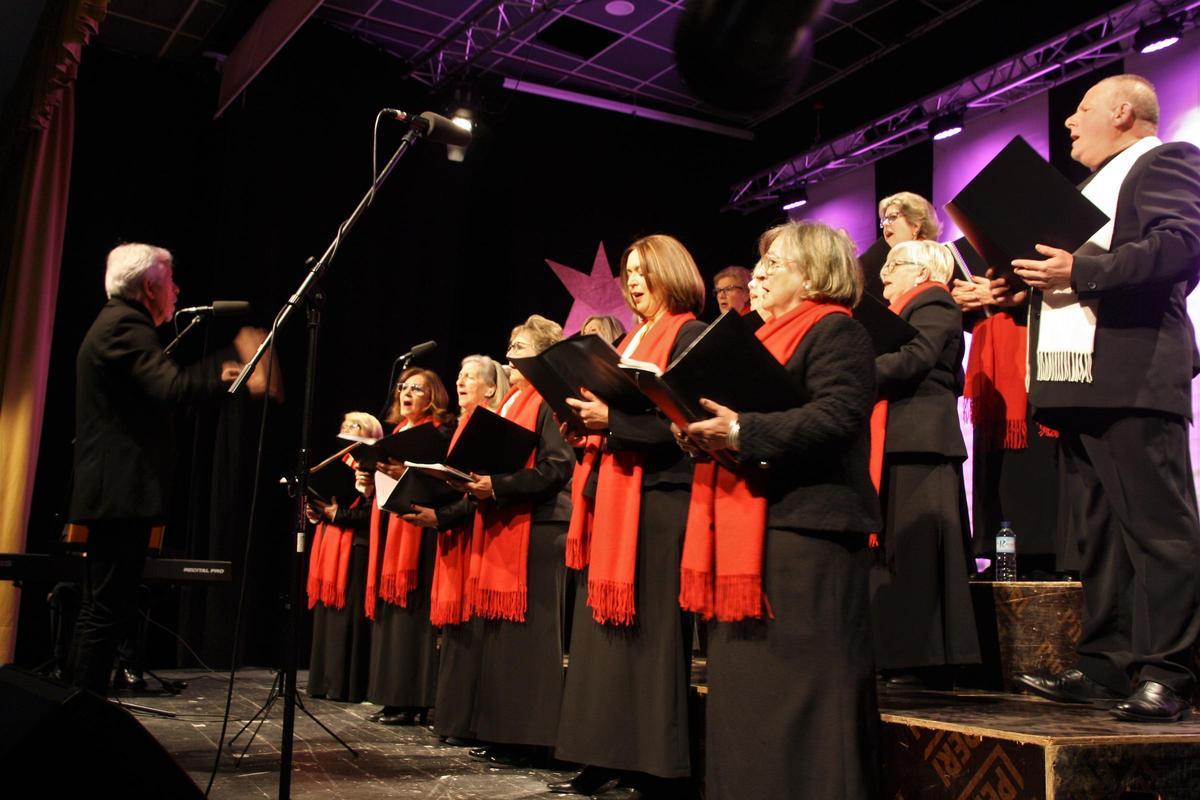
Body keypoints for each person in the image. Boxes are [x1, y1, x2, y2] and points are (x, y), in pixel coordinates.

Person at [1011, 74, 1200, 723]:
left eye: (1081, 110)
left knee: (1159, 533)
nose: (1068, 123)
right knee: (1100, 539)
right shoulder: (1090, 190)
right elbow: (1068, 277)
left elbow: (1180, 247)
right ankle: (1104, 666)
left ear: (1123, 111)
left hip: (1134, 374)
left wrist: (1079, 271)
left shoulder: (1166, 159)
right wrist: (1014, 293)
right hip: (1081, 380)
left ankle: (1169, 673)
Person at [678, 220, 881, 798]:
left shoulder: (837, 332)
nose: (757, 275)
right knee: (751, 694)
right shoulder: (752, 342)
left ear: (814, 276)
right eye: (759, 264)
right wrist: (697, 433)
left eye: (774, 265)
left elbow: (838, 416)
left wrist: (740, 431)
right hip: (751, 530)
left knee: (809, 693)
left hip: (809, 531)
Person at [67, 242, 265, 695]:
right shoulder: (124, 326)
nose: (177, 289)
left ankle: (77, 710)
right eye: (171, 280)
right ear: (150, 286)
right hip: (118, 493)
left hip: (112, 492)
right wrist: (233, 364)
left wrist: (229, 370)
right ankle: (79, 714)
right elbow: (172, 388)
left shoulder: (118, 323)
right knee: (105, 611)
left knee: (103, 607)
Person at [551, 234, 707, 796]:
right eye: (628, 272)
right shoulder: (634, 337)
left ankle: (653, 763)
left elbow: (684, 426)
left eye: (644, 271)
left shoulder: (689, 334)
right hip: (617, 494)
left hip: (663, 499)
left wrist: (611, 421)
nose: (633, 281)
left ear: (672, 272)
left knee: (651, 636)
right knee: (602, 638)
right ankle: (601, 751)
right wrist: (585, 428)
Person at [443, 317, 574, 767]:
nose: (510, 355)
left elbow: (557, 468)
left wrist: (496, 485)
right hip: (508, 525)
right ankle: (505, 731)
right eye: (510, 345)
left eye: (520, 346)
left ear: (542, 356)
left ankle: (535, 738)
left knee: (532, 638)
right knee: (504, 640)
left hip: (540, 527)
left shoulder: (550, 402)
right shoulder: (512, 403)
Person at [870, 240, 980, 685]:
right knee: (900, 552)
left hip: (922, 440)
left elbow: (915, 360)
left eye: (893, 265)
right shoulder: (901, 310)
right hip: (898, 440)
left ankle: (925, 656)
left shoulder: (935, 300)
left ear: (921, 272)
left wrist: (849, 368)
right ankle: (903, 652)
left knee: (920, 556)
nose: (883, 275)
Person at [413, 355, 507, 744]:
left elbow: (480, 487)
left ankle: (468, 724)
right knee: (456, 634)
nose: (462, 380)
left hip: (478, 537)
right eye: (460, 374)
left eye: (471, 376)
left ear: (490, 387)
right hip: (456, 534)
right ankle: (451, 722)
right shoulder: (460, 426)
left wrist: (443, 516)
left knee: (472, 632)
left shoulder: (492, 424)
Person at [364, 367, 454, 725]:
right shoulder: (397, 433)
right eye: (403, 387)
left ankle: (414, 699)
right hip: (392, 529)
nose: (407, 393)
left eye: (417, 388)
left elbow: (443, 481)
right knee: (392, 618)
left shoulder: (438, 433)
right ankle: (392, 696)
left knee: (413, 618)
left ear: (433, 397)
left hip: (420, 533)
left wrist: (405, 471)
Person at [305, 412, 383, 703]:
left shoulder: (376, 468)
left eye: (357, 427)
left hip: (357, 549)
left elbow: (371, 514)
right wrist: (317, 513)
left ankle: (346, 685)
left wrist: (340, 510)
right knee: (328, 619)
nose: (349, 430)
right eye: (346, 426)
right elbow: (328, 504)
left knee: (348, 620)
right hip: (330, 546)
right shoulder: (335, 466)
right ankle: (323, 682)